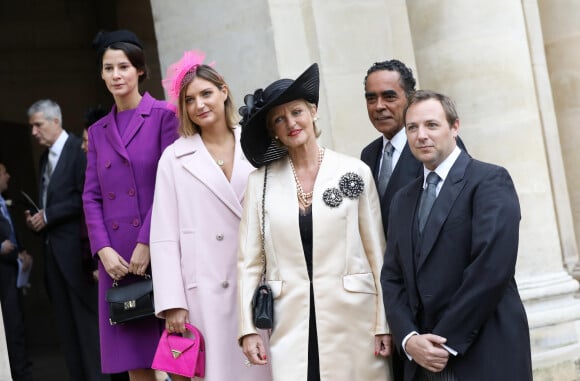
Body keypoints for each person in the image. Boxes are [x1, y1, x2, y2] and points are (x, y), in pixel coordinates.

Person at [237, 63, 392, 381]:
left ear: (313, 112)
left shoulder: (353, 172)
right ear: (273, 131)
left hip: (353, 318)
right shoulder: (259, 183)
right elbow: (249, 262)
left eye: (296, 112)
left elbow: (378, 255)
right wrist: (247, 329)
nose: (291, 123)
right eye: (279, 119)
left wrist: (384, 323)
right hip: (290, 320)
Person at [380, 90, 533, 381]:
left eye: (431, 125)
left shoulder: (490, 181)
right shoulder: (403, 199)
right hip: (422, 361)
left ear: (455, 127)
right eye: (412, 127)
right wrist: (410, 339)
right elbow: (392, 276)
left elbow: (491, 269)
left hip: (485, 352)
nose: (421, 135)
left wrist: (443, 340)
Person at [149, 50, 272, 381]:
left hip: (258, 285)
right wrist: (173, 301)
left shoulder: (258, 145)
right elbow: (162, 236)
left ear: (224, 91)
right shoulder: (173, 159)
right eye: (190, 99)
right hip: (203, 291)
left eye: (206, 93)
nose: (200, 104)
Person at [83, 30, 178, 381]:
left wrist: (146, 242)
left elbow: (170, 186)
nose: (115, 75)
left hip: (160, 249)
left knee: (180, 354)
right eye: (108, 68)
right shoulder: (97, 132)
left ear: (139, 69)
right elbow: (90, 196)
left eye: (123, 66)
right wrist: (103, 250)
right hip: (119, 261)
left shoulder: (165, 116)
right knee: (136, 362)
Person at [25, 99, 107, 380]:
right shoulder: (43, 158)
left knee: (87, 327)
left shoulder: (78, 150)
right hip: (53, 256)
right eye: (32, 127)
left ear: (55, 121)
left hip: (78, 256)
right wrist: (39, 217)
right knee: (67, 328)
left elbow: (85, 197)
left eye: (38, 125)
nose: (34, 132)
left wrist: (49, 215)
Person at [361, 59, 468, 239]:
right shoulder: (369, 155)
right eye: (371, 98)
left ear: (410, 98)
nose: (379, 106)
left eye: (389, 97)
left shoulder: (438, 145)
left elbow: (459, 209)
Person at [0, 163, 33, 381]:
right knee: (11, 331)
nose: (8, 176)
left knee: (18, 330)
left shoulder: (5, 202)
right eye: (3, 172)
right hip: (3, 277)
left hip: (14, 275)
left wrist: (23, 253)